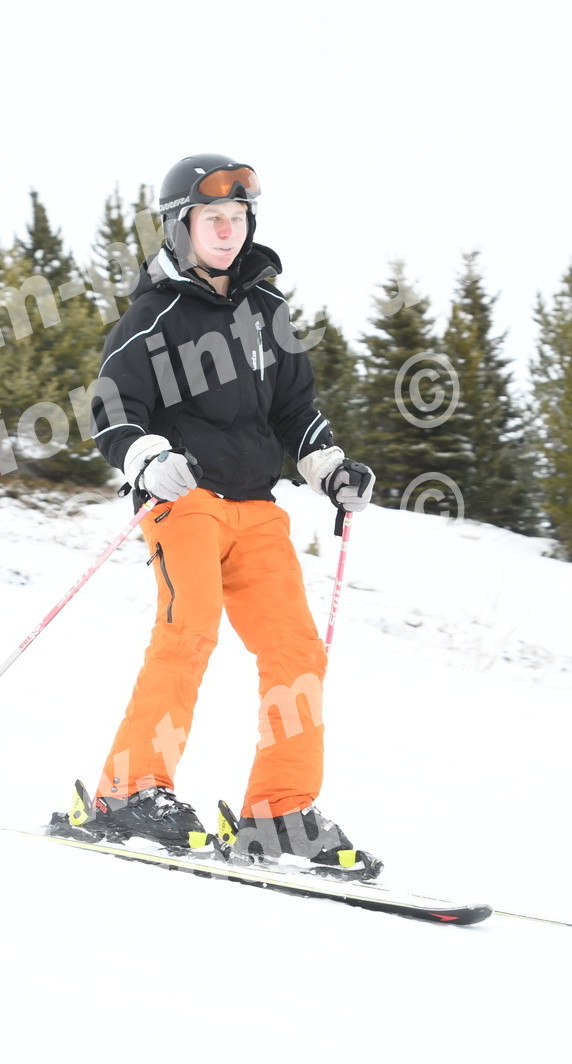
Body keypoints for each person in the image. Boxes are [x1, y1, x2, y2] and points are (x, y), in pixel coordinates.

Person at [79, 153, 379, 876]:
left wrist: (330, 467)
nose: (226, 229)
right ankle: (128, 792)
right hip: (183, 501)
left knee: (297, 652)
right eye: (212, 217)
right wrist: (147, 457)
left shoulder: (269, 313)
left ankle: (279, 813)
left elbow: (294, 410)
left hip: (257, 510)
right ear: (180, 226)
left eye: (238, 217)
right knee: (189, 632)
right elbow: (112, 407)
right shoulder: (155, 315)